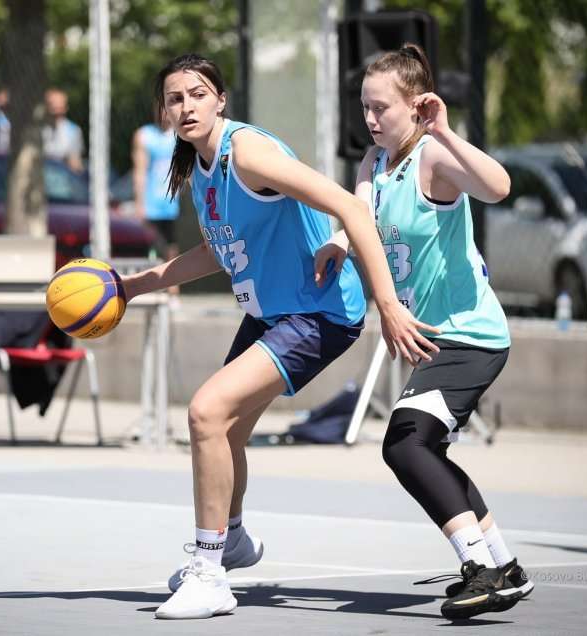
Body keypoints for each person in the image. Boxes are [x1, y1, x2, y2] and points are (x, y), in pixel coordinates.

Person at [120, 53, 439, 621]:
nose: (187, 105)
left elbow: (347, 205)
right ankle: (232, 539)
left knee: (205, 413)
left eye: (197, 94)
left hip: (318, 313)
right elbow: (217, 250)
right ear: (163, 112)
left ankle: (210, 571)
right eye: (175, 98)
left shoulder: (249, 152)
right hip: (272, 312)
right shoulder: (202, 168)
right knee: (227, 430)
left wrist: (387, 304)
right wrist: (138, 284)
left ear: (220, 100)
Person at [314, 43, 533, 620]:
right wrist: (339, 243)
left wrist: (447, 131)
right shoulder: (373, 162)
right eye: (364, 106)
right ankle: (503, 563)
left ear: (417, 107)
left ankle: (478, 567)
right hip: (436, 337)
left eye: (380, 108)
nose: (369, 118)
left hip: (471, 334)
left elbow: (498, 187)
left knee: (404, 444)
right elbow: (360, 218)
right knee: (423, 446)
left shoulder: (433, 157)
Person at [131, 114, 181, 295]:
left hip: (171, 202)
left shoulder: (180, 134)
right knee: (153, 247)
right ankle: (153, 286)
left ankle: (173, 291)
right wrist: (140, 203)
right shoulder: (145, 135)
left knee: (171, 246)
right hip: (152, 202)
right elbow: (140, 171)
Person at [43, 88, 84, 173]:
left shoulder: (73, 130)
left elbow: (75, 161)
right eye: (53, 108)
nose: (57, 112)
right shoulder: (37, 129)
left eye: (60, 108)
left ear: (66, 108)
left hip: (62, 175)